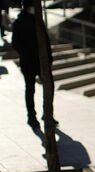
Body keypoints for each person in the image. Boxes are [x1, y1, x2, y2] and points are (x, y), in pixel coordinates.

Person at [11, 0, 55, 129]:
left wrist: (49, 58)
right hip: (28, 62)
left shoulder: (38, 20)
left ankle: (47, 113)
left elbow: (45, 41)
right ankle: (31, 116)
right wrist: (27, 55)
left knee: (49, 86)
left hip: (43, 62)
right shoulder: (20, 22)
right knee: (30, 89)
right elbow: (16, 43)